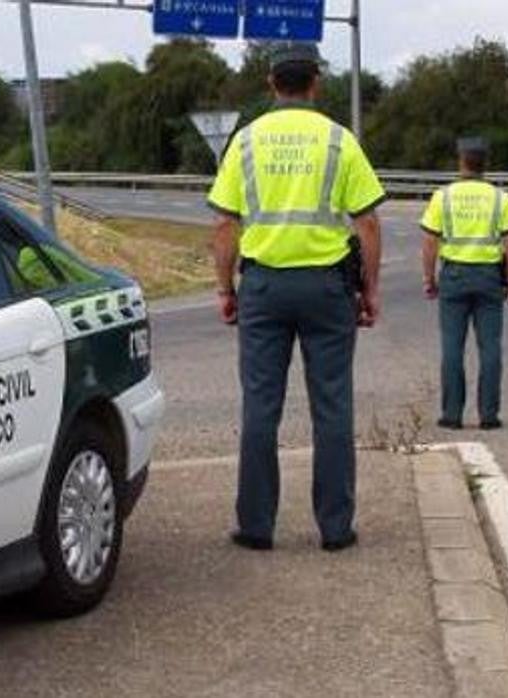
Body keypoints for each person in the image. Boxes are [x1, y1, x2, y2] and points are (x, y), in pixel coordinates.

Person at [207, 42, 386, 553]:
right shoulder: (338, 140)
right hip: (328, 289)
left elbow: (224, 223)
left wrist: (225, 288)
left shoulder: (244, 142)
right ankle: (335, 528)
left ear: (271, 83)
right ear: (315, 83)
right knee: (332, 406)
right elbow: (368, 221)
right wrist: (369, 289)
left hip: (263, 288)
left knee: (261, 408)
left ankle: (257, 526)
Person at [420, 137, 508, 431]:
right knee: (490, 347)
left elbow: (429, 242)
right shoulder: (499, 198)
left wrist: (429, 277)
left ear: (461, 161)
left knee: (452, 347)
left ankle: (452, 414)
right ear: (485, 164)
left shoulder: (444, 197)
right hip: (489, 278)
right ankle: (489, 415)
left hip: (453, 277)